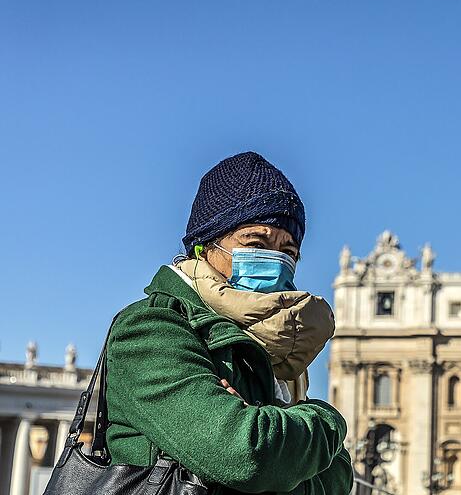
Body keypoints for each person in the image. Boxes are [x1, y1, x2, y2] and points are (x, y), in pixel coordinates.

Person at [104, 152, 354, 494]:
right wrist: (328, 422)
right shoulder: (151, 327)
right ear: (204, 246)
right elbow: (248, 455)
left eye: (289, 251)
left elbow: (338, 478)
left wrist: (279, 445)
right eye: (256, 243)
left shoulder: (279, 352)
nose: (277, 261)